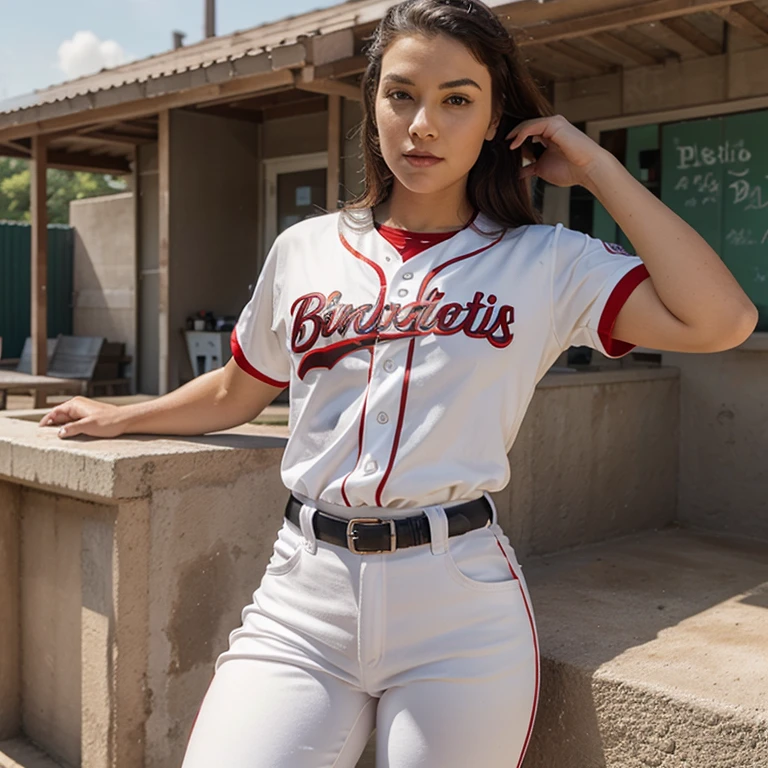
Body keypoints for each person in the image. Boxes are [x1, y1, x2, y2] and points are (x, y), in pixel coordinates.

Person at [38, 0, 758, 765]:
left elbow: (723, 320)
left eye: (457, 100)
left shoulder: (546, 260)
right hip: (302, 597)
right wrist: (121, 418)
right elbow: (236, 391)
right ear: (374, 104)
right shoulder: (306, 247)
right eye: (402, 94)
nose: (423, 124)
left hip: (459, 603)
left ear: (495, 121)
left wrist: (595, 166)